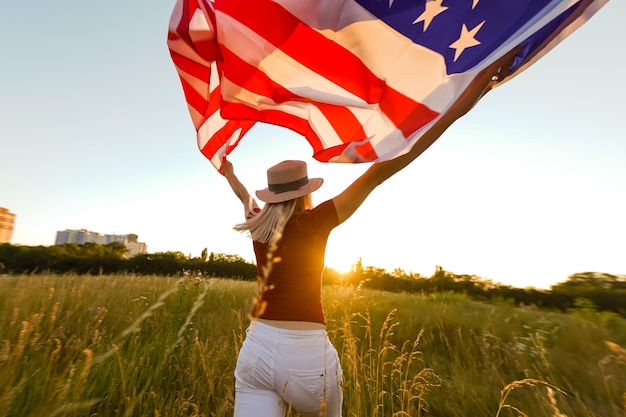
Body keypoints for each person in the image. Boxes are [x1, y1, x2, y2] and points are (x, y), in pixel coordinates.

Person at [221, 50, 521, 417]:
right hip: (306, 358)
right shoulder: (317, 221)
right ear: (305, 192)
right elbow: (380, 172)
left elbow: (244, 196)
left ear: (273, 195)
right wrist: (459, 104)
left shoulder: (257, 226)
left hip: (257, 348)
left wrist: (229, 172)